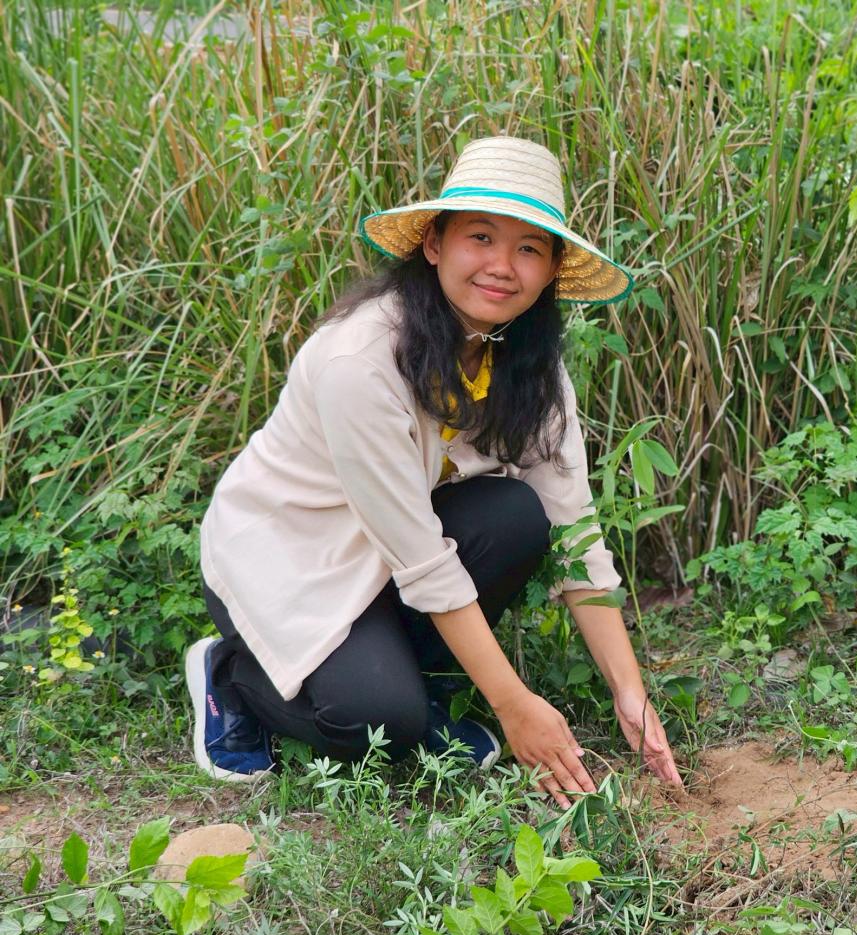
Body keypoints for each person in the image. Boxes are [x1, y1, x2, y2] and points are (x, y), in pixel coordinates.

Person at [187, 136, 683, 808]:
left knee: (517, 516)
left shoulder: (528, 365)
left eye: (530, 248)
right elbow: (425, 561)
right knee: (378, 723)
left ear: (551, 272)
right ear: (434, 245)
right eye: (481, 237)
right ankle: (233, 675)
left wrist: (631, 691)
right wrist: (513, 707)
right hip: (289, 557)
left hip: (387, 557)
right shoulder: (360, 362)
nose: (502, 266)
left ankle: (415, 680)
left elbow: (575, 532)